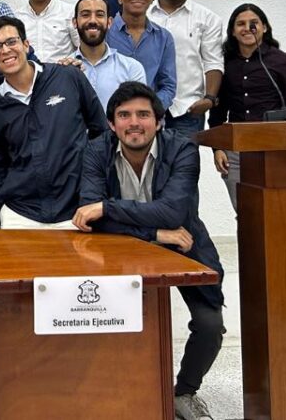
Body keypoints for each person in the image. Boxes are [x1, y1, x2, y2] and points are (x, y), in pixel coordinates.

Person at [74, 81, 224, 420]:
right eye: (124, 115)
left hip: (184, 241)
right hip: (122, 246)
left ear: (158, 121)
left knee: (210, 323)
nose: (134, 123)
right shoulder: (97, 150)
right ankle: (120, 390)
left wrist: (108, 209)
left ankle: (184, 392)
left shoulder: (183, 149)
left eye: (143, 114)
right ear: (112, 124)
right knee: (108, 317)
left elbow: (173, 212)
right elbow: (88, 216)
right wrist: (154, 232)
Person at [0, 16, 106, 228]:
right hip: (20, 214)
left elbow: (101, 133)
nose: (5, 50)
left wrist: (92, 192)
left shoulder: (68, 78)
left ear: (26, 44)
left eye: (11, 42)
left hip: (76, 210)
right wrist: (1, 202)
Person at [210, 4, 286, 208]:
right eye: (241, 24)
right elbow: (217, 111)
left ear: (264, 27)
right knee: (245, 212)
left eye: (253, 23)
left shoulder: (283, 61)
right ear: (233, 31)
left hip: (274, 148)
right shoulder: (224, 64)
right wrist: (217, 148)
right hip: (235, 150)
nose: (247, 28)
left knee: (277, 208)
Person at [147, 0, 223, 136]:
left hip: (187, 109)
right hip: (145, 107)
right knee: (146, 163)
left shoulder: (207, 18)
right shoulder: (144, 14)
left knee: (184, 163)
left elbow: (213, 62)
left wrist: (209, 99)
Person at [107, 0, 176, 111]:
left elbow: (168, 85)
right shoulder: (104, 33)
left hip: (148, 120)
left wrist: (150, 109)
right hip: (108, 116)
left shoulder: (163, 37)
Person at [70, 0, 146, 109]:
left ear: (109, 22)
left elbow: (137, 112)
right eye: (85, 15)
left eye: (100, 15)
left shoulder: (131, 68)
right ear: (75, 22)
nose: (92, 21)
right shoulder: (63, 69)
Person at [14, 0, 79, 63]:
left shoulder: (70, 12)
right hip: (29, 75)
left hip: (61, 73)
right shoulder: (16, 18)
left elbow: (82, 48)